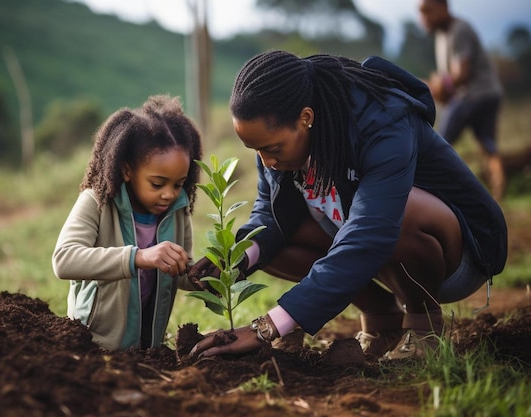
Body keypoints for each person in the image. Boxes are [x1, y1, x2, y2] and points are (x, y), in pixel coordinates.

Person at [189, 51, 507, 360]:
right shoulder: (278, 151)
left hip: (457, 256)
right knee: (266, 238)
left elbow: (371, 232)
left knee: (400, 211)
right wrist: (233, 260)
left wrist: (268, 326)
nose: (266, 162)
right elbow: (270, 218)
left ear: (306, 118)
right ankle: (382, 318)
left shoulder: (383, 122)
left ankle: (424, 324)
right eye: (256, 150)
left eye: (272, 148)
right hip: (374, 248)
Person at [52, 95, 202, 350]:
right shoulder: (97, 201)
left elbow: (178, 271)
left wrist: (204, 276)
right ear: (126, 170)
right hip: (93, 347)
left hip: (147, 351)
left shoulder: (178, 209)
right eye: (157, 183)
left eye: (178, 184)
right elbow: (64, 259)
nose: (169, 194)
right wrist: (139, 257)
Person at [418, 0, 506, 201]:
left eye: (428, 12)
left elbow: (461, 74)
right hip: (489, 92)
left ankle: (434, 192)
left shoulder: (459, 30)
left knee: (438, 142)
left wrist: (437, 86)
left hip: (474, 95)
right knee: (488, 143)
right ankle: (498, 192)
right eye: (422, 13)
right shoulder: (443, 35)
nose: (424, 19)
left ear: (444, 7)